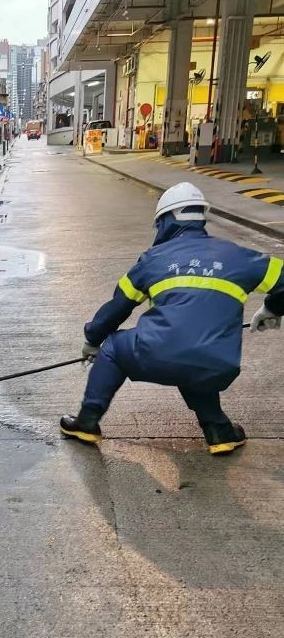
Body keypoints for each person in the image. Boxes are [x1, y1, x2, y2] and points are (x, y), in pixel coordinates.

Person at [60, 182, 284, 455]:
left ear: (166, 221)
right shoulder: (239, 256)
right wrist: (273, 308)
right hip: (218, 365)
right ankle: (219, 432)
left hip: (157, 354)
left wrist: (93, 340)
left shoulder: (153, 259)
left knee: (114, 348)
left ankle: (87, 422)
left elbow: (118, 307)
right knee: (196, 360)